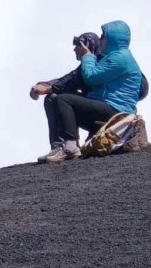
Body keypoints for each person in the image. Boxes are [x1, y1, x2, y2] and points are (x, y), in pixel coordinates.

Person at [36, 20, 144, 163]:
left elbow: (91, 77)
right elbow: (74, 77)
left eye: (103, 37)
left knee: (63, 99)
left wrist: (88, 55)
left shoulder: (120, 58)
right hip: (107, 106)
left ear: (112, 38)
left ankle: (70, 148)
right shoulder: (113, 56)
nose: (100, 40)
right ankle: (62, 146)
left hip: (116, 110)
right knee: (56, 98)